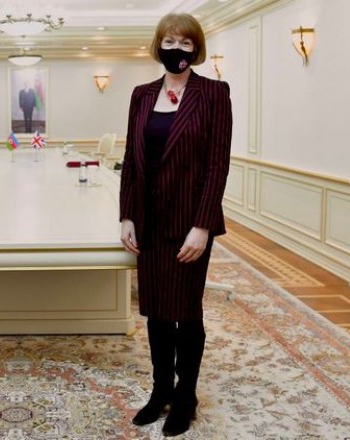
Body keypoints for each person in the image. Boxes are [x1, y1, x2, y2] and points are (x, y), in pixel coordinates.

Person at [119, 13, 232, 437]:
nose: (177, 49)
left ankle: (186, 395)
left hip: (189, 223)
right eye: (169, 41)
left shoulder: (214, 93)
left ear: (195, 48)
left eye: (185, 43)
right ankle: (161, 389)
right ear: (158, 45)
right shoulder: (142, 95)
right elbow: (132, 159)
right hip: (148, 222)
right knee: (157, 313)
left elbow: (217, 165)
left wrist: (202, 225)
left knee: (186, 311)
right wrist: (127, 215)